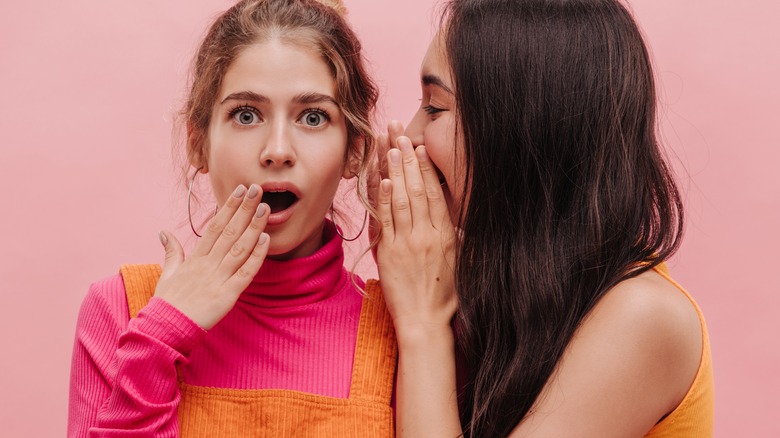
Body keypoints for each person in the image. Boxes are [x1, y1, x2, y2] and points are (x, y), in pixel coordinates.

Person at [373, 0, 714, 436]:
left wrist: (423, 326)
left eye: (435, 108)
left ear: (522, 131)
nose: (412, 135)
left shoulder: (644, 316)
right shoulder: (497, 292)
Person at [67, 1, 397, 436]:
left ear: (355, 150)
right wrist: (159, 339)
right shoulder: (121, 309)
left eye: (313, 117)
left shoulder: (403, 330)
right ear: (198, 142)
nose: (277, 150)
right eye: (246, 115)